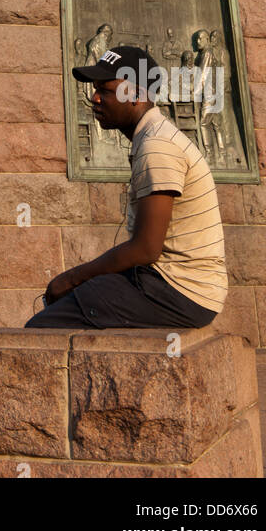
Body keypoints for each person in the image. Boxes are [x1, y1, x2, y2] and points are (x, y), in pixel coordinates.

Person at [25, 44, 227, 329]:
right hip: (171, 286)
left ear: (134, 94)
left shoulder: (157, 146)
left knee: (41, 331)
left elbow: (146, 249)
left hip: (180, 291)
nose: (94, 98)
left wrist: (70, 278)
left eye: (104, 91)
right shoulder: (153, 137)